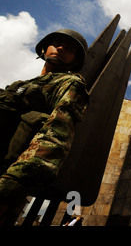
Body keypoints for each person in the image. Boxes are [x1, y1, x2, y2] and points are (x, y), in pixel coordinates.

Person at [0, 29, 89, 224]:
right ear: (43, 49)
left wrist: (14, 181)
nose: (60, 48)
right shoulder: (20, 85)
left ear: (75, 61)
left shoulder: (69, 83)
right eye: (56, 43)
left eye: (70, 48)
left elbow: (56, 134)